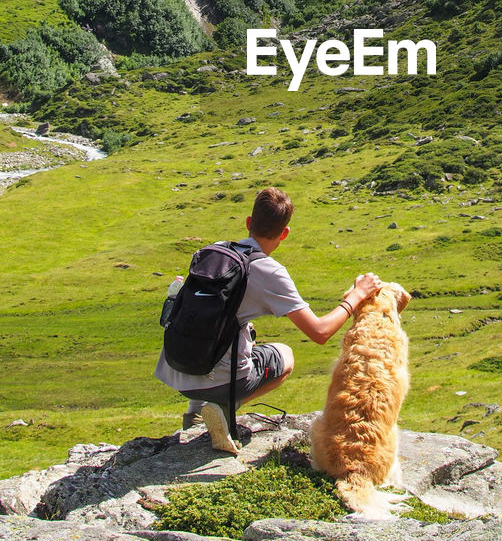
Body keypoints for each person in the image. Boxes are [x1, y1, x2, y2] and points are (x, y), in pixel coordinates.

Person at [154, 186, 382, 454]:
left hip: (176, 372)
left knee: (245, 331)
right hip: (218, 382)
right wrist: (356, 295)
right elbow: (320, 332)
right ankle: (225, 406)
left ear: (249, 222)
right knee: (284, 355)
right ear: (284, 233)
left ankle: (194, 414)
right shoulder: (268, 270)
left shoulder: (213, 251)